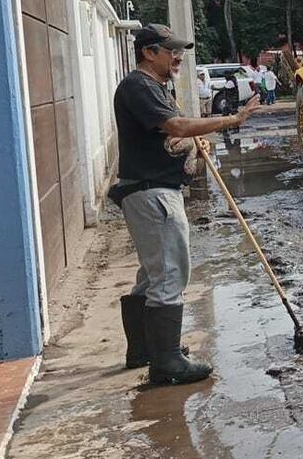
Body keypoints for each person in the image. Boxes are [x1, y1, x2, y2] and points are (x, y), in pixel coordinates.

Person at [110, 23, 260, 386]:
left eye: (179, 50)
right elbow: (176, 126)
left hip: (151, 190)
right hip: (152, 194)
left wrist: (194, 145)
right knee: (170, 273)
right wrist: (231, 120)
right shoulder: (139, 86)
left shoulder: (156, 87)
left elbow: (169, 138)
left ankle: (146, 349)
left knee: (152, 274)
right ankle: (166, 364)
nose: (178, 56)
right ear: (149, 52)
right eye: (170, 50)